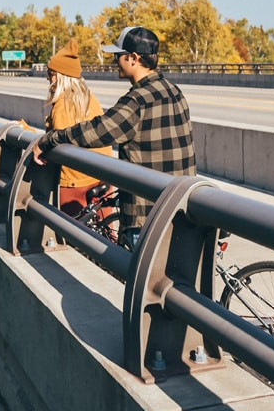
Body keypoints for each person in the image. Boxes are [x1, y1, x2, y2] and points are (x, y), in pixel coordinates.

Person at [32, 26, 196, 247]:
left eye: (119, 56)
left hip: (147, 214)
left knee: (138, 278)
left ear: (133, 58)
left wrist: (49, 139)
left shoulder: (137, 100)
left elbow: (98, 131)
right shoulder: (174, 90)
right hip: (179, 206)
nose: (115, 61)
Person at [42, 38, 113, 216]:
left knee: (75, 235)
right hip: (102, 173)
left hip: (76, 180)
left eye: (50, 73)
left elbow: (58, 141)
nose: (47, 78)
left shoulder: (62, 104)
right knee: (106, 239)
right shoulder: (90, 98)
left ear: (61, 75)